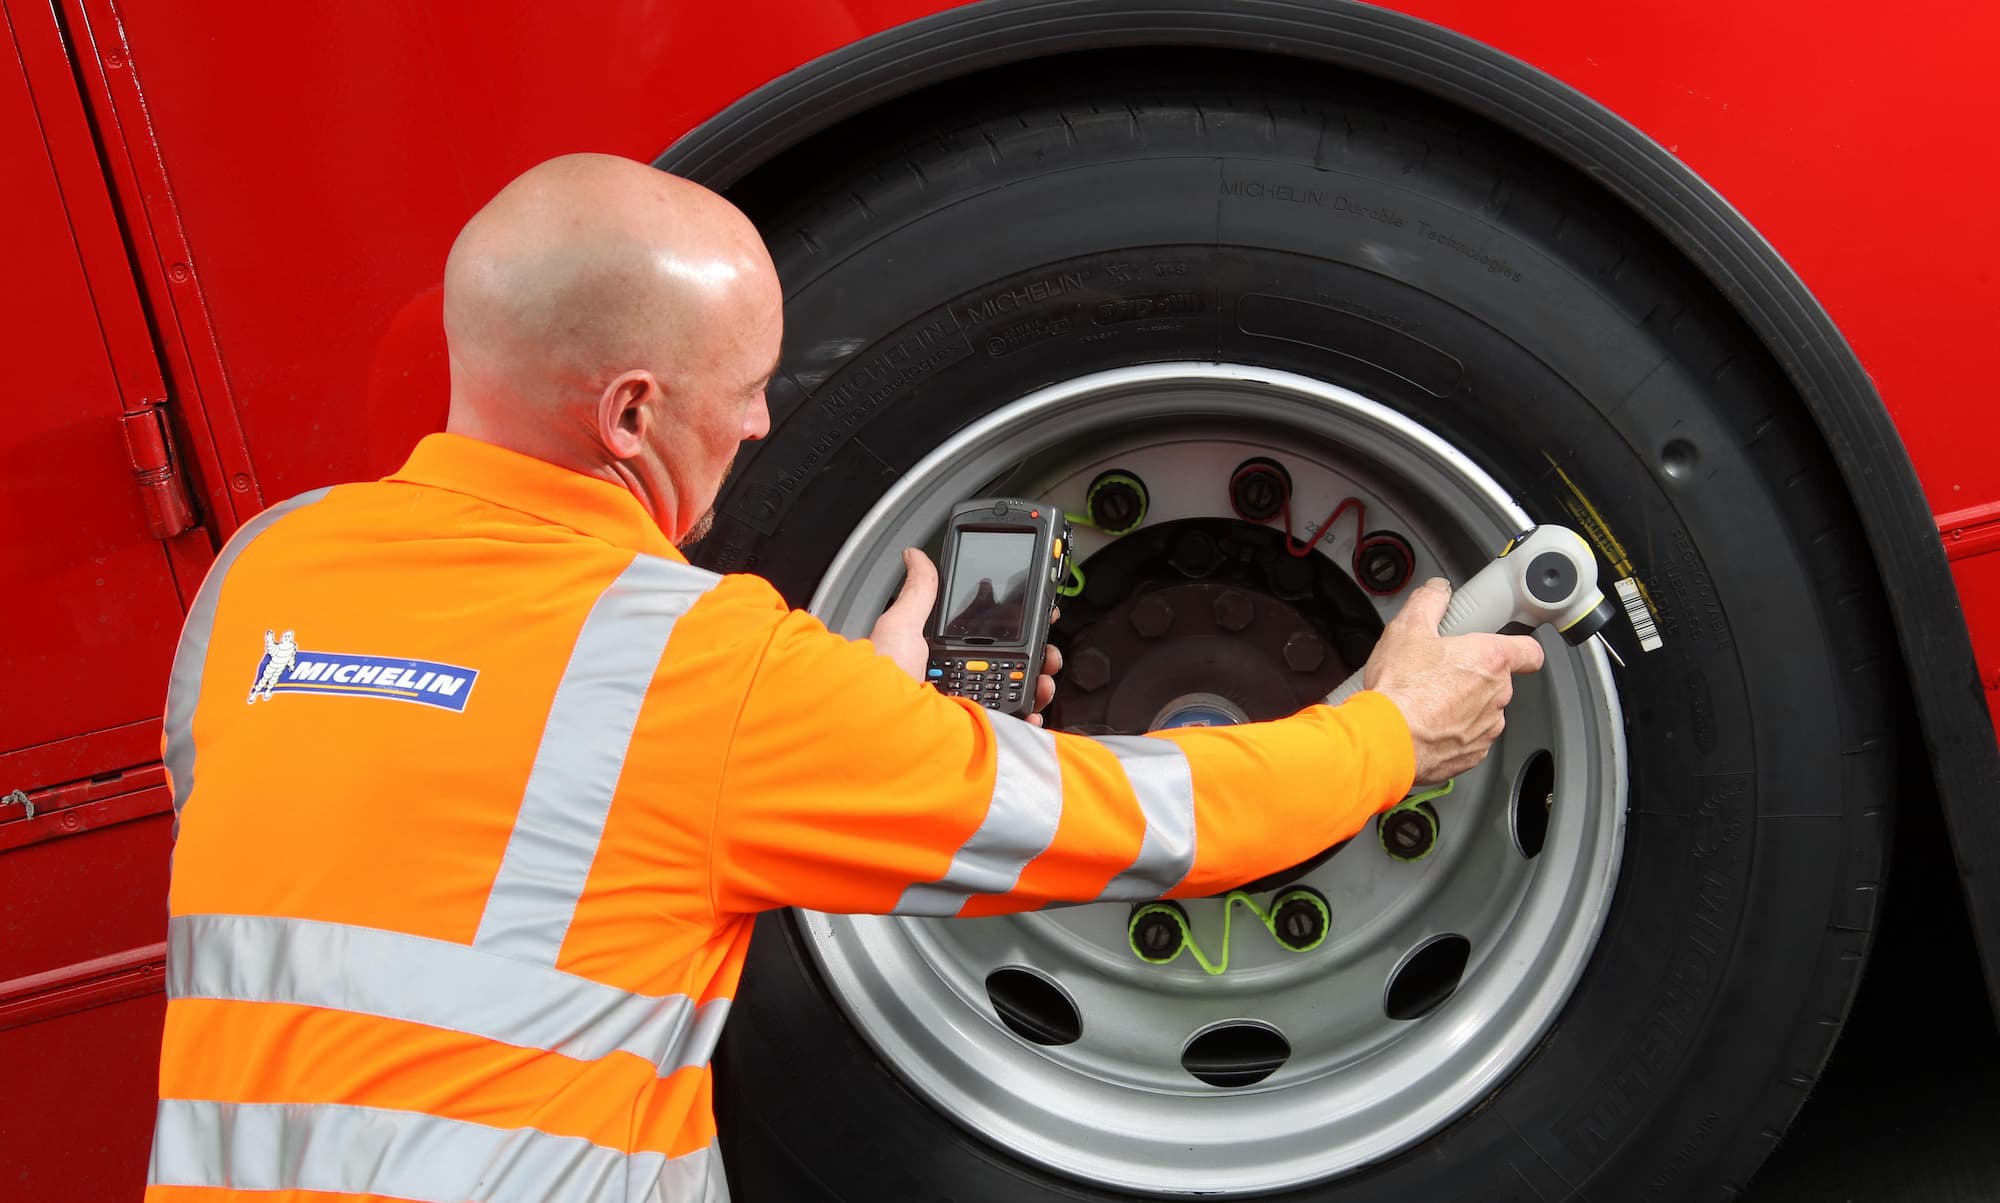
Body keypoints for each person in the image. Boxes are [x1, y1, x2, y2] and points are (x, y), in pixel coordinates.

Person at [144, 153, 1543, 1203]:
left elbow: (394, 821)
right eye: (744, 386)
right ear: (633, 410)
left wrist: (841, 725)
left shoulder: (264, 574)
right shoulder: (705, 669)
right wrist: (1386, 732)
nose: (759, 421)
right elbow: (1141, 824)